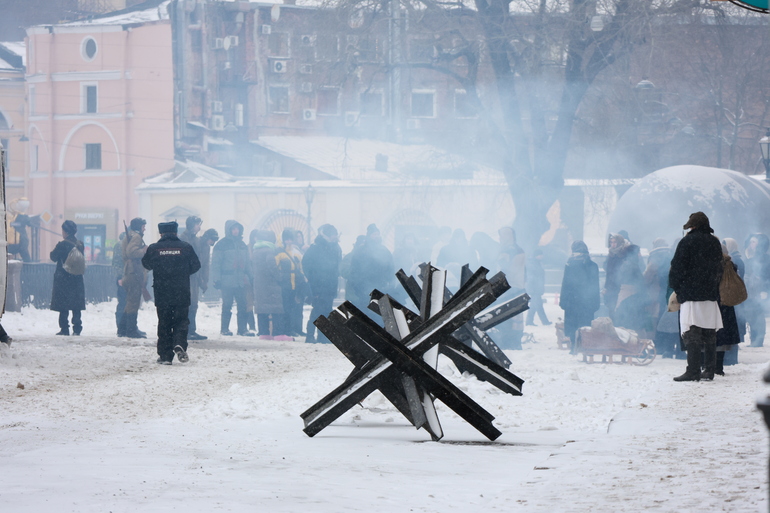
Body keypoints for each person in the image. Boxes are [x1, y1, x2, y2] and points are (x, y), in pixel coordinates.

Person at [669, 212, 724, 382]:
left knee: (691, 332)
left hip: (691, 293)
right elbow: (719, 267)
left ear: (692, 225)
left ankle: (693, 370)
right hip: (710, 293)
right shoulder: (714, 241)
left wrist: (677, 286)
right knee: (709, 333)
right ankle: (709, 369)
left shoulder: (687, 241)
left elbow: (677, 267)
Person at [141, 221, 201, 365]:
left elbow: (146, 264)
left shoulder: (154, 249)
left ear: (161, 233)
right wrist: (183, 272)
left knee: (164, 322)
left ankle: (165, 355)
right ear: (176, 232)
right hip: (182, 290)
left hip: (162, 292)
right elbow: (196, 265)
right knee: (181, 320)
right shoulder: (186, 247)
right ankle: (179, 344)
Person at [211, 220, 253, 336]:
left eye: (237, 229)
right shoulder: (221, 245)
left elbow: (247, 264)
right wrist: (216, 279)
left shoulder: (242, 245)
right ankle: (224, 328)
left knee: (242, 304)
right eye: (234, 229)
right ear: (229, 230)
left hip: (240, 281)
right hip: (227, 280)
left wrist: (251, 276)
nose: (236, 231)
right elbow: (216, 263)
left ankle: (242, 329)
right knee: (227, 304)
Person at [302, 224, 342, 343]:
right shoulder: (315, 248)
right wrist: (313, 280)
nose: (335, 237)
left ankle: (322, 336)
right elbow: (306, 264)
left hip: (330, 285)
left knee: (327, 311)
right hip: (318, 285)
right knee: (317, 310)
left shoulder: (334, 248)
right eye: (333, 234)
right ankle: (310, 335)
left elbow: (336, 266)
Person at [559, 241, 600, 351]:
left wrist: (595, 302)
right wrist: (563, 300)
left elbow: (595, 285)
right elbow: (566, 283)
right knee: (574, 325)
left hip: (584, 301)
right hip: (573, 301)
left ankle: (582, 345)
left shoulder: (590, 265)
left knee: (583, 325)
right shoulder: (570, 264)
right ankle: (574, 345)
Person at [348, 224, 394, 314]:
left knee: (379, 316)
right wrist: (358, 288)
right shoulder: (360, 251)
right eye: (374, 234)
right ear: (369, 236)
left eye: (378, 234)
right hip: (363, 290)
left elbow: (390, 268)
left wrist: (389, 283)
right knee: (365, 315)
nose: (376, 236)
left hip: (380, 288)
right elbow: (354, 271)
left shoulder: (384, 250)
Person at [50, 220, 85, 336]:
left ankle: (64, 328)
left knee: (63, 305)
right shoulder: (80, 244)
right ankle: (77, 328)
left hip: (64, 278)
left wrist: (58, 246)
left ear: (65, 231)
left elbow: (53, 257)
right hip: (76, 278)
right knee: (76, 305)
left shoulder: (62, 244)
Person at [496, 226, 526, 350]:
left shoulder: (508, 251)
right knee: (516, 315)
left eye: (502, 236)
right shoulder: (519, 249)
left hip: (508, 286)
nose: (500, 239)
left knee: (506, 314)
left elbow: (504, 269)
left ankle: (509, 341)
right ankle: (515, 341)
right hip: (518, 285)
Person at [252, 230, 284, 340]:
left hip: (259, 284)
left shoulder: (256, 250)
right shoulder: (269, 251)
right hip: (270, 284)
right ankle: (277, 333)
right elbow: (272, 266)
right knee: (275, 308)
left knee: (262, 308)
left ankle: (264, 332)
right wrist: (279, 278)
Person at [179, 215, 208, 341]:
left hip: (194, 276)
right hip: (185, 276)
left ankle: (192, 330)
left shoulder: (196, 240)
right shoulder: (182, 239)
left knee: (194, 303)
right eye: (197, 224)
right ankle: (184, 330)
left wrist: (201, 277)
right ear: (191, 225)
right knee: (186, 304)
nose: (199, 227)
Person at [275, 228, 307, 337]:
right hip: (284, 284)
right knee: (285, 308)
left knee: (293, 308)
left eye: (290, 239)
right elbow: (274, 269)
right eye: (286, 240)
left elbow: (301, 268)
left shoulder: (296, 253)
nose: (289, 242)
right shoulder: (278, 253)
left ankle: (292, 328)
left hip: (295, 284)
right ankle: (285, 329)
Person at [120, 218, 148, 339]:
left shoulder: (130, 236)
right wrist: (144, 250)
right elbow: (131, 252)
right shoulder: (136, 237)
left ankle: (123, 328)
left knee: (130, 301)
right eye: (143, 226)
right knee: (134, 301)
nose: (144, 229)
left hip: (129, 272)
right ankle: (131, 330)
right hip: (134, 272)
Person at [716, 241, 741, 376]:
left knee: (712, 334)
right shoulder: (730, 265)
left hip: (715, 302)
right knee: (722, 336)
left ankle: (710, 365)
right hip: (726, 304)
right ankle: (719, 366)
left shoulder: (714, 265)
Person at [743, 233, 770, 347]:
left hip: (761, 291)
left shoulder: (765, 258)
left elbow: (766, 276)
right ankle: (754, 338)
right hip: (752, 290)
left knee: (758, 314)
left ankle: (758, 339)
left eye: (754, 242)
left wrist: (765, 289)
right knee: (752, 313)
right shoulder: (751, 257)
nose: (751, 244)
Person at [525, 248, 550, 326]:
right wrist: (532, 288)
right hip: (535, 288)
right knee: (538, 305)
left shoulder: (536, 263)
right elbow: (531, 277)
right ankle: (544, 321)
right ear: (536, 255)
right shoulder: (533, 264)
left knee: (535, 305)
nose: (542, 256)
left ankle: (530, 321)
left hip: (536, 288)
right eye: (540, 254)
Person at [112, 233, 126, 336]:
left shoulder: (124, 244)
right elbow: (117, 263)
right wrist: (120, 277)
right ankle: (121, 328)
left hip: (126, 276)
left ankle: (124, 327)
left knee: (126, 303)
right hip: (123, 277)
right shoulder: (121, 245)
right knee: (123, 303)